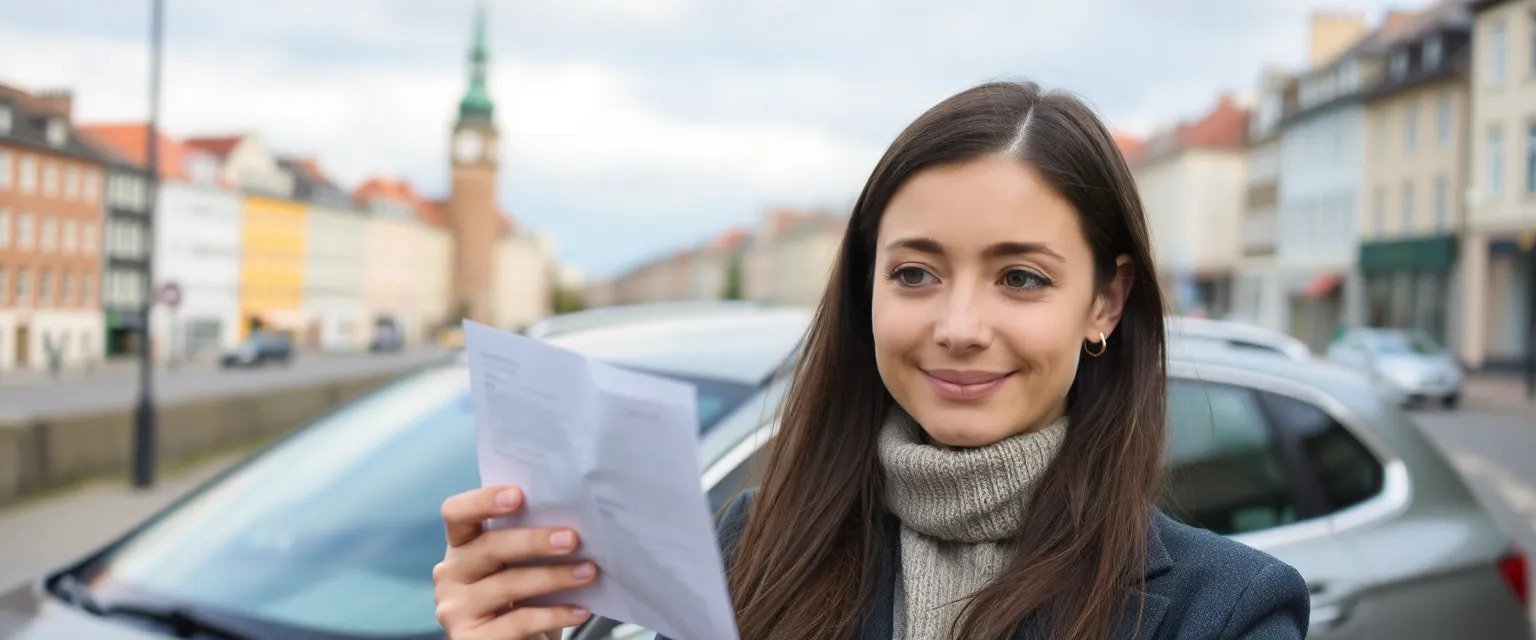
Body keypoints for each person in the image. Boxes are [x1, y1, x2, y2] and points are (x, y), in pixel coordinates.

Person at [431, 80, 1311, 640]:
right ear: (867, 288)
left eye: (1020, 277)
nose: (960, 325)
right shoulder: (752, 547)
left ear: (1106, 302)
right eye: (916, 272)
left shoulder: (1222, 612)